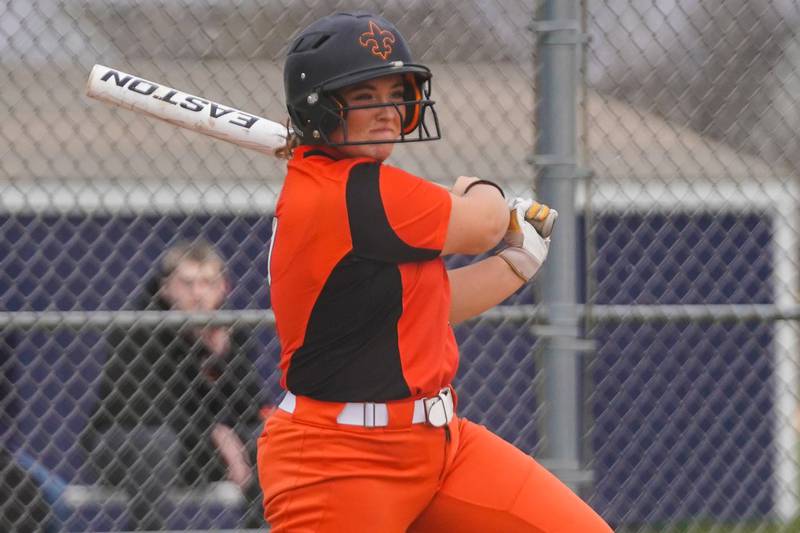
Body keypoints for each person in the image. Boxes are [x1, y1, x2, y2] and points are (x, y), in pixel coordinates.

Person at [257, 10, 612, 533]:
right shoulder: (354, 192)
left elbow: (426, 304)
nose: (388, 110)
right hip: (339, 463)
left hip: (442, 447)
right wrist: (480, 191)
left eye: (395, 92)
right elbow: (484, 223)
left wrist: (516, 263)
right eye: (364, 97)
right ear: (320, 109)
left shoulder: (364, 191)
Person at [82, 240, 266, 530]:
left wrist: (221, 359)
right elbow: (147, 413)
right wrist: (215, 433)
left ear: (223, 287)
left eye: (208, 282)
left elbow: (249, 409)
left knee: (267, 439)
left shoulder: (232, 330)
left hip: (199, 446)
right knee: (157, 443)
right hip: (129, 446)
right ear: (165, 288)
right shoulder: (138, 328)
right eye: (187, 283)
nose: (198, 293)